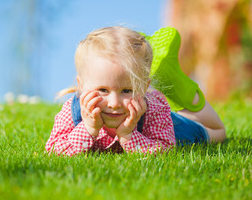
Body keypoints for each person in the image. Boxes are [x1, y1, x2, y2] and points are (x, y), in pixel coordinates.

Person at [45, 26, 226, 156]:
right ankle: (165, 76)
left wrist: (129, 135)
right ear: (81, 85)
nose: (114, 103)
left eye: (126, 90)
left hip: (173, 127)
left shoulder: (155, 111)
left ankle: (180, 87)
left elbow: (165, 149)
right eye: (102, 90)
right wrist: (88, 128)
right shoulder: (72, 111)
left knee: (217, 133)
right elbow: (53, 150)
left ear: (144, 88)